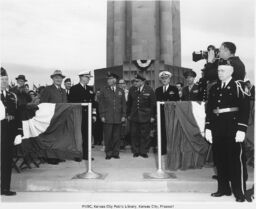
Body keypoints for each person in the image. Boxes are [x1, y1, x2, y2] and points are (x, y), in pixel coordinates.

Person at [205, 64, 250, 202]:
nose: (219, 73)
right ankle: (223, 189)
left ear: (231, 72)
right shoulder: (214, 88)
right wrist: (208, 128)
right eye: (218, 70)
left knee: (236, 161)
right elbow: (210, 109)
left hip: (233, 128)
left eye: (222, 70)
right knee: (220, 160)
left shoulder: (239, 86)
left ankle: (239, 192)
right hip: (218, 128)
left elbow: (245, 108)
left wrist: (242, 129)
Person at [69, 71, 97, 160]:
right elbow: (71, 103)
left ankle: (86, 154)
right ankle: (77, 154)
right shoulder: (74, 88)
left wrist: (94, 114)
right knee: (77, 135)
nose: (88, 79)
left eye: (89, 78)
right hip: (78, 115)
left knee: (87, 135)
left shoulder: (90, 88)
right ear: (81, 77)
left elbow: (93, 103)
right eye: (87, 77)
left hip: (88, 115)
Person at [127, 74, 156, 158]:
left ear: (143, 81)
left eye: (137, 81)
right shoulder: (132, 89)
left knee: (145, 134)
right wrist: (128, 114)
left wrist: (152, 116)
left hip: (145, 116)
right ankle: (136, 151)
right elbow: (129, 103)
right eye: (134, 81)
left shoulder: (149, 90)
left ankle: (144, 151)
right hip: (134, 116)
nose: (135, 83)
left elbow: (153, 104)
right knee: (134, 134)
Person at [98, 72, 126, 159]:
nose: (108, 80)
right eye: (108, 79)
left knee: (117, 136)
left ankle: (116, 153)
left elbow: (124, 104)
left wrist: (123, 115)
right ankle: (108, 153)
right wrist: (102, 115)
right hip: (107, 117)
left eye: (110, 79)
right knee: (108, 136)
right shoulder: (103, 90)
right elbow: (101, 104)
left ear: (115, 80)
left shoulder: (120, 91)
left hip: (118, 117)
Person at [1, 67, 17, 196]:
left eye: (6, 79)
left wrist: (18, 133)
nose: (4, 82)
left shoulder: (12, 96)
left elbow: (17, 115)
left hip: (9, 132)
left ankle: (5, 188)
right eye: (2, 79)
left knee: (7, 160)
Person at [155, 71, 179, 157]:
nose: (164, 80)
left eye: (166, 78)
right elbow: (155, 103)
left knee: (171, 131)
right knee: (161, 132)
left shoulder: (174, 89)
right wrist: (156, 114)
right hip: (161, 114)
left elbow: (177, 102)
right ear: (161, 80)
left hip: (171, 114)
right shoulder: (158, 90)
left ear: (169, 79)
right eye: (163, 78)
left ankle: (171, 150)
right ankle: (163, 149)